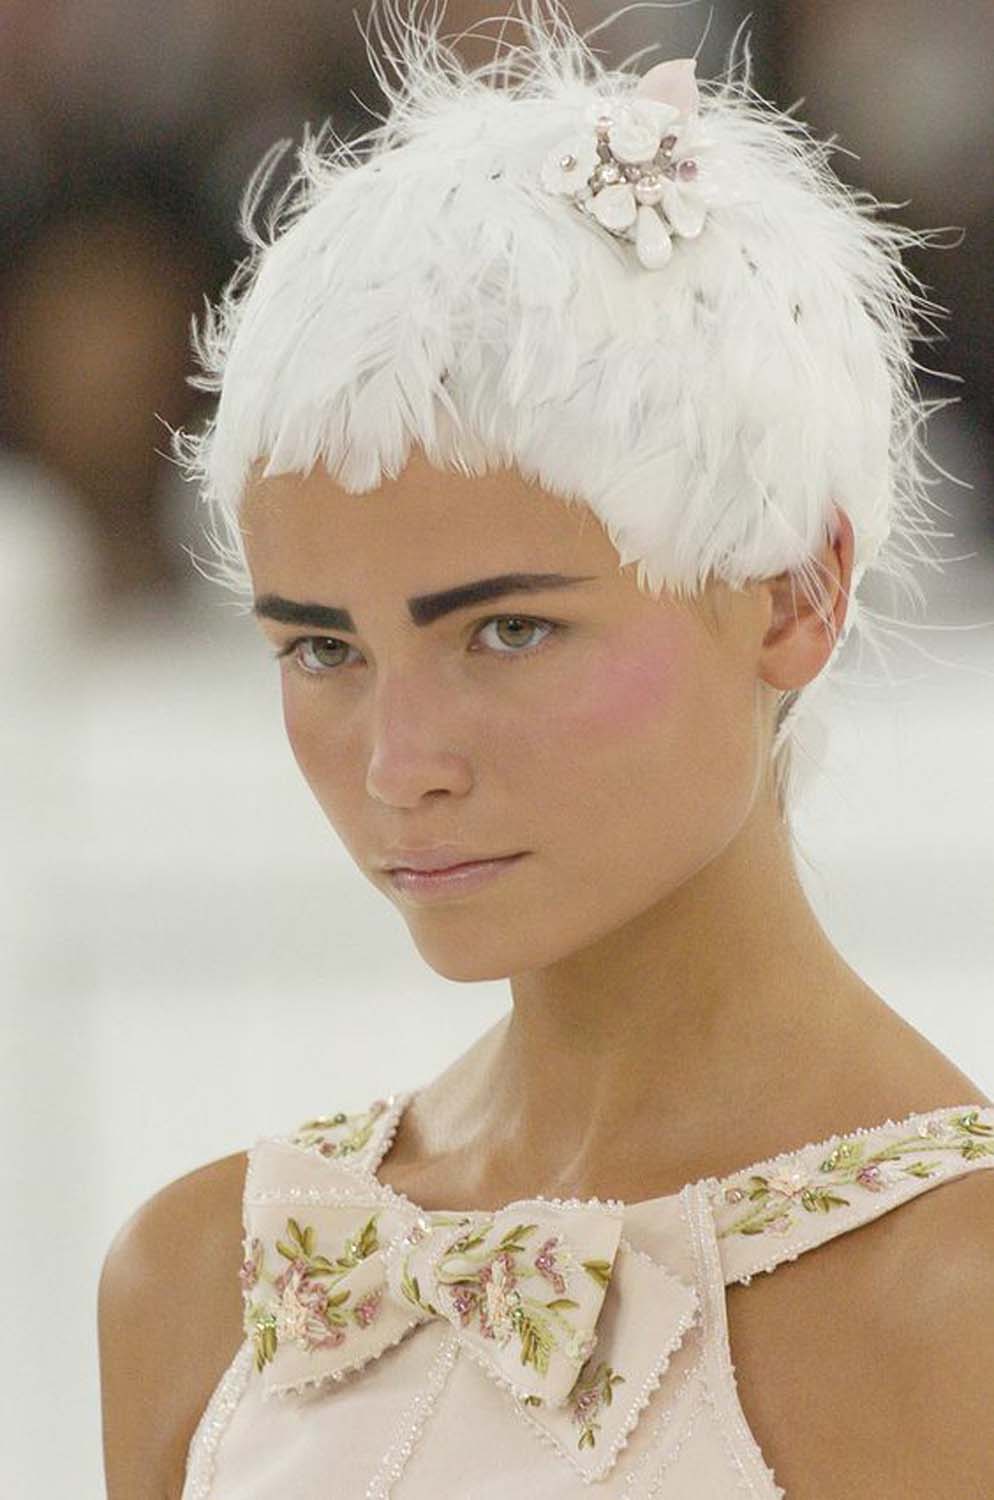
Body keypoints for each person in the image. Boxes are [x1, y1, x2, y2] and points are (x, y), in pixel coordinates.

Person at [98, 3, 994, 1496]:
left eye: (506, 631)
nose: (399, 765)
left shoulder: (958, 1304)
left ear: (795, 595)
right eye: (322, 648)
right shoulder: (205, 1283)